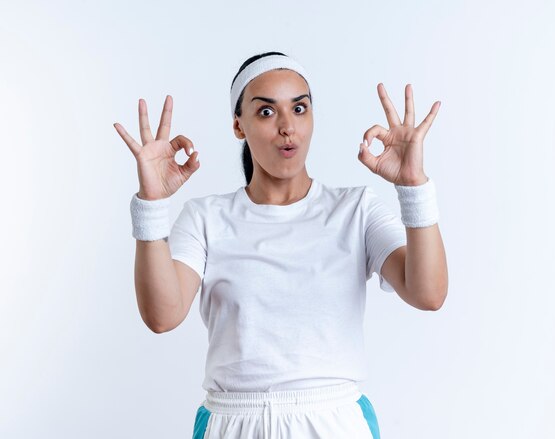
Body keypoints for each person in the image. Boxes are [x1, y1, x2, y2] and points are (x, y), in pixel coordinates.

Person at [114, 51, 448, 439]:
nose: (288, 127)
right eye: (266, 112)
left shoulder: (355, 210)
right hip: (232, 423)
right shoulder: (206, 218)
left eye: (300, 108)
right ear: (239, 126)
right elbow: (162, 315)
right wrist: (152, 205)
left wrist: (414, 187)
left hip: (333, 422)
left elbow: (429, 293)